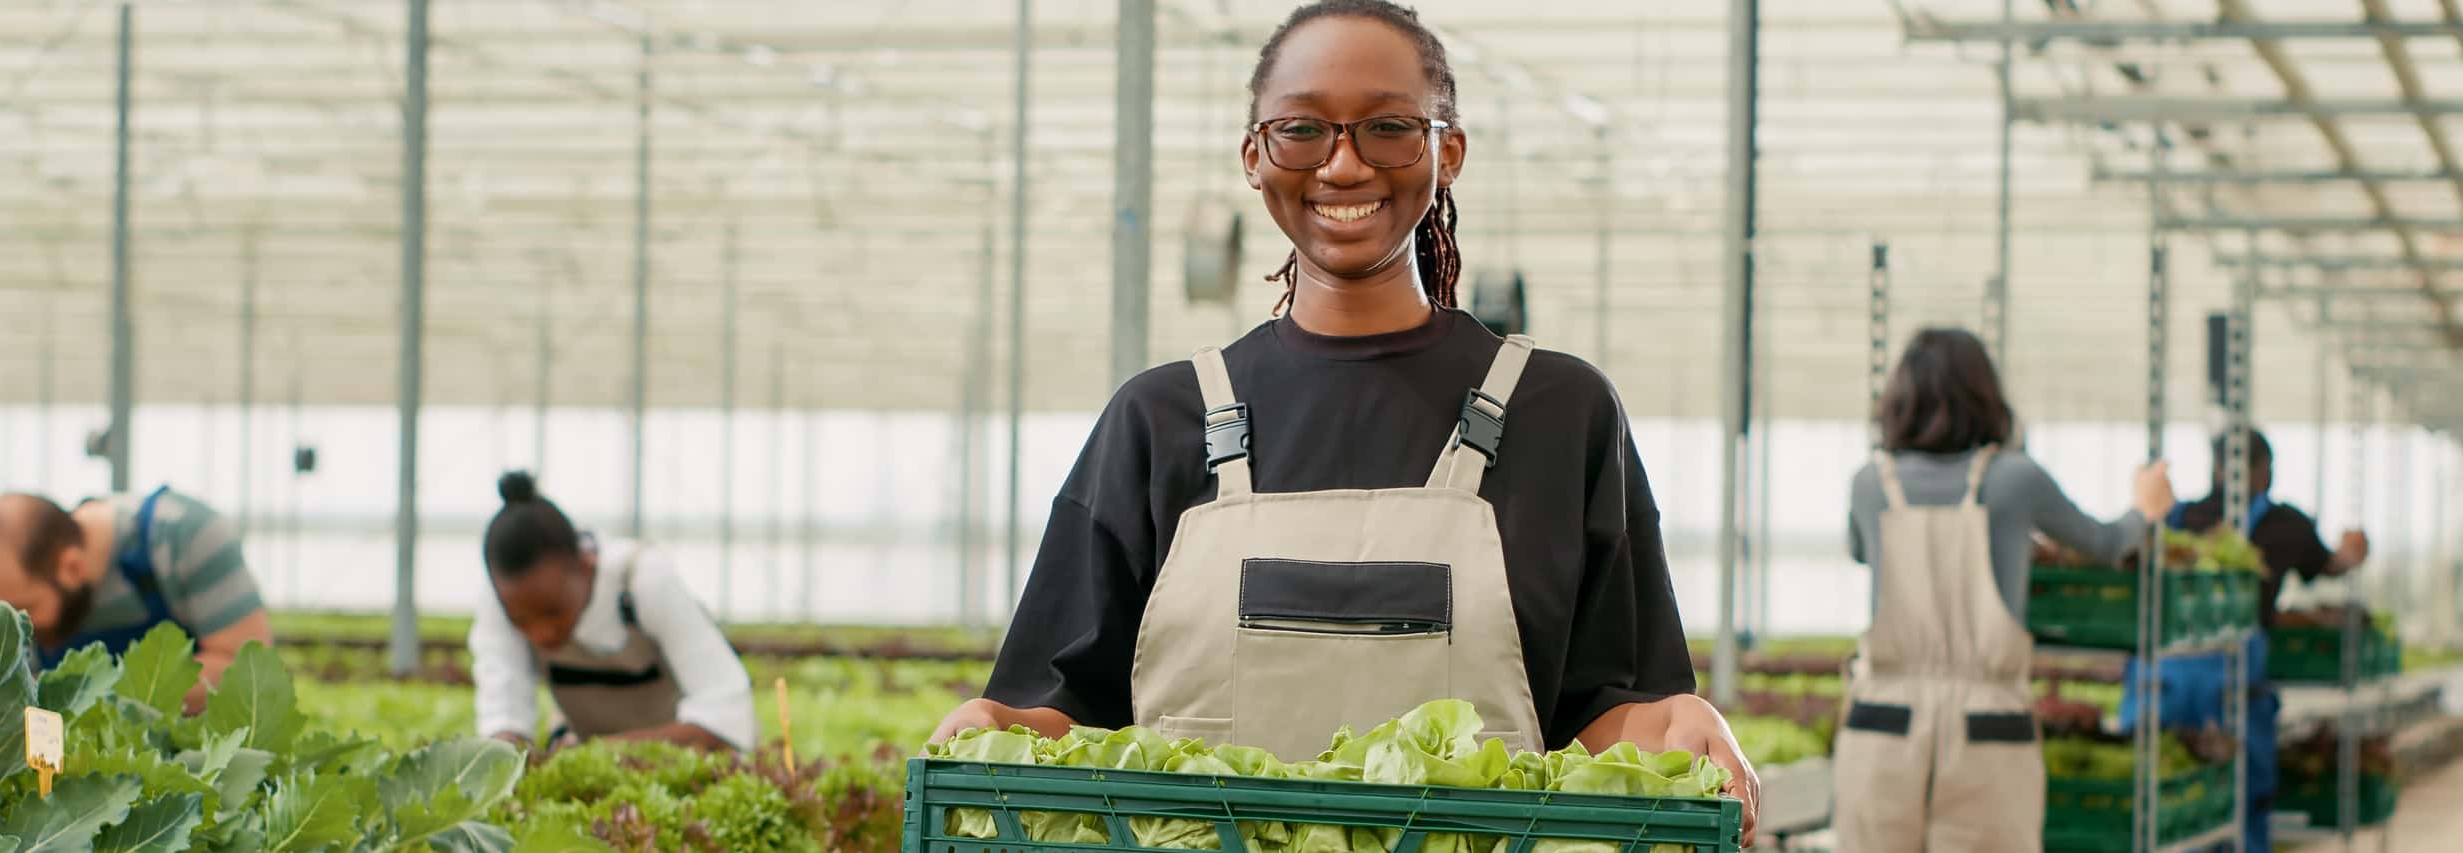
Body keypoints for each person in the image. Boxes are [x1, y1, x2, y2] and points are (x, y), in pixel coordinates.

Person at [928, 0, 1759, 839]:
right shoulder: (1157, 420)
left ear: (1449, 151)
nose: (1345, 165)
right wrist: (1000, 726)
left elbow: (1606, 709)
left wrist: (1676, 724)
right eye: (1303, 130)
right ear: (1255, 157)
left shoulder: (1562, 414)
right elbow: (1073, 707)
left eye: (1389, 128)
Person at [1838, 328, 2175, 852]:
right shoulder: (2014, 479)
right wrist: (2146, 509)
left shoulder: (1869, 483)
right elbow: (2106, 543)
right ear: (1985, 395)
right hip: (1986, 729)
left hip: (1882, 725)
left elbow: (1863, 552)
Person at [2124, 428, 2368, 853]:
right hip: (2234, 693)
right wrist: (2354, 552)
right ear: (2262, 470)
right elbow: (2332, 565)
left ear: (2216, 467)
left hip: (2163, 686)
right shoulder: (2287, 524)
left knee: (2161, 803)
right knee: (2241, 807)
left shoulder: (2179, 519)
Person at [468, 471, 755, 753]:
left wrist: (599, 753)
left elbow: (726, 715)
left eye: (554, 612)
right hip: (591, 767)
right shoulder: (506, 601)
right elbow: (503, 713)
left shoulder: (644, 581)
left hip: (680, 767)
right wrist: (508, 753)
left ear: (585, 563)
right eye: (521, 622)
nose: (540, 633)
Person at [0, 486, 273, 715]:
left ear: (72, 567)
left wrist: (106, 695)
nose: (14, 626)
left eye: (24, 608)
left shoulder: (185, 539)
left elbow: (244, 665)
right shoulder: (31, 587)